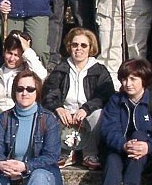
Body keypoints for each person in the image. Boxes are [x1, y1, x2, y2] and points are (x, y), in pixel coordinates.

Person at [42, 28, 114, 169]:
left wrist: (86, 108)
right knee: (52, 114)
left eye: (83, 45)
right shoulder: (61, 68)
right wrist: (59, 107)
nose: (78, 49)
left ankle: (90, 153)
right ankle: (65, 152)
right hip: (67, 113)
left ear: (90, 48)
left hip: (87, 113)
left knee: (98, 114)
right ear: (69, 47)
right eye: (75, 45)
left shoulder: (99, 70)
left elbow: (105, 95)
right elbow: (49, 92)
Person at [0, 30, 49, 137]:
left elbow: (42, 76)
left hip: (21, 114)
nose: (12, 59)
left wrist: (27, 50)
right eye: (9, 53)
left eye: (17, 55)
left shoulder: (28, 71)